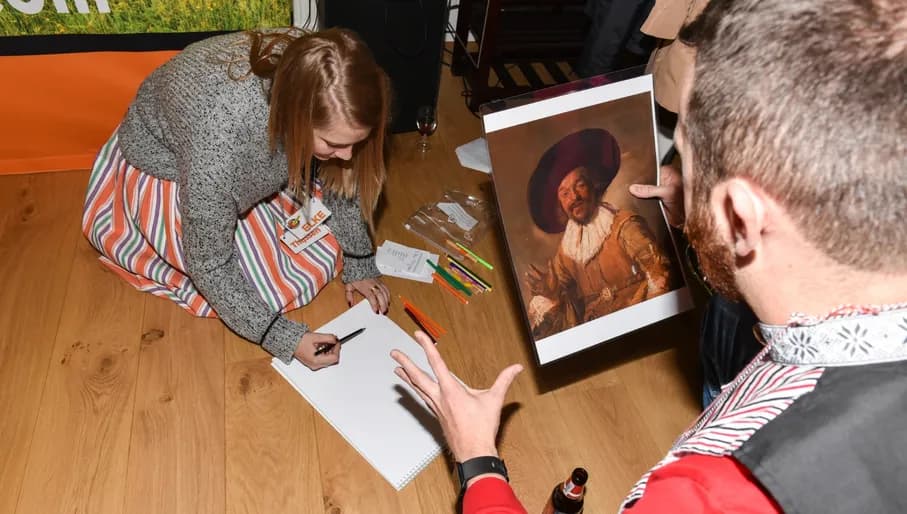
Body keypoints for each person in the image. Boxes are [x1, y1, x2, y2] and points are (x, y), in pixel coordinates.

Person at [391, 0, 907, 512]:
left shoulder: (709, 492)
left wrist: (477, 457)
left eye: (687, 161)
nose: (676, 180)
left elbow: (653, 274)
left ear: (742, 214)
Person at [82, 27, 393, 371]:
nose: (348, 156)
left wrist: (358, 259)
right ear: (295, 118)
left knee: (312, 244)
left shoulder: (328, 70)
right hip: (167, 160)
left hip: (238, 149)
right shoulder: (219, 148)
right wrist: (283, 337)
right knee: (269, 288)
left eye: (355, 143)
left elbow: (341, 178)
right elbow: (209, 263)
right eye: (334, 144)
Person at [525, 128, 673, 340]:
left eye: (580, 185)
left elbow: (659, 274)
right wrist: (548, 294)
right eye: (565, 193)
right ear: (560, 204)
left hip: (640, 327)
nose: (574, 197)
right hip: (597, 337)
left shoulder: (624, 226)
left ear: (594, 186)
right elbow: (560, 297)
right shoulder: (566, 252)